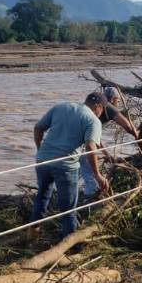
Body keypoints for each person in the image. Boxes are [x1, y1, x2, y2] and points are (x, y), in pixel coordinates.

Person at [32, 93, 111, 239]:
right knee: (68, 208)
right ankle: (71, 243)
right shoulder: (93, 120)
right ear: (98, 107)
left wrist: (40, 151)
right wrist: (97, 175)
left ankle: (34, 232)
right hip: (66, 166)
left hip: (43, 161)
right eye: (102, 110)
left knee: (42, 196)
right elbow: (91, 146)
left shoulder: (61, 106)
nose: (101, 114)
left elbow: (38, 128)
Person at [80, 86, 139, 202]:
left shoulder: (93, 105)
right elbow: (127, 125)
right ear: (113, 99)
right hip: (83, 144)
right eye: (118, 101)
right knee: (89, 168)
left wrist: (106, 154)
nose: (118, 104)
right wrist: (139, 137)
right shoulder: (109, 107)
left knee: (80, 168)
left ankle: (84, 194)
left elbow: (96, 139)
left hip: (77, 143)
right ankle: (90, 199)